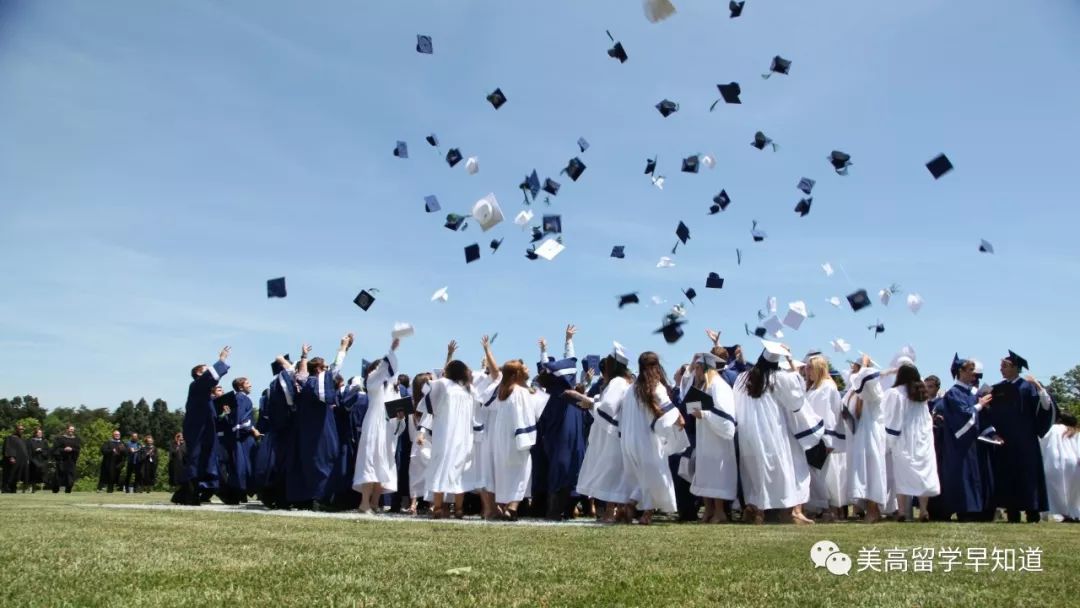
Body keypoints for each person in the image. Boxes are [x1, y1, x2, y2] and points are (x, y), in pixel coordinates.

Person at [734, 343, 822, 525]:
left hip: (748, 435)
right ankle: (789, 513)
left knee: (755, 473)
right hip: (773, 433)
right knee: (785, 471)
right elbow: (797, 399)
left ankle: (756, 512)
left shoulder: (743, 379)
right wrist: (790, 361)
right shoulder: (778, 378)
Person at [984, 351, 1056, 523]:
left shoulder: (1027, 386)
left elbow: (1045, 406)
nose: (1001, 369)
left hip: (1025, 440)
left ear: (1015, 368)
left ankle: (1032, 512)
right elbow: (990, 413)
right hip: (1005, 440)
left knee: (1028, 475)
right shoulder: (998, 388)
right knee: (1008, 475)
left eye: (1005, 366)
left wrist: (1038, 386)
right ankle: (1012, 512)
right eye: (1001, 366)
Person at [620, 351, 689, 525]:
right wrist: (679, 419)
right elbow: (669, 409)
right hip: (648, 441)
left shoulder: (631, 389)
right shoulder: (656, 387)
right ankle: (647, 515)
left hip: (629, 441)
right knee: (657, 477)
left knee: (642, 477)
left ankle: (629, 506)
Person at [288, 335, 353, 509]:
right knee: (324, 461)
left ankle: (309, 498)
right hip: (322, 430)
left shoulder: (303, 382)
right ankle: (320, 499)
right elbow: (335, 369)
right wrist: (342, 347)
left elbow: (302, 372)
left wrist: (303, 357)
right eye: (324, 367)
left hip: (308, 430)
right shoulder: (316, 384)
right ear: (318, 370)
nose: (327, 370)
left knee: (310, 462)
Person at [572, 344, 634, 523]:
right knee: (615, 472)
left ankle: (610, 512)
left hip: (610, 434)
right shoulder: (622, 382)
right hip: (611, 433)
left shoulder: (616, 383)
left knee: (610, 472)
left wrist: (589, 404)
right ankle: (621, 511)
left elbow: (608, 408)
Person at [934, 356, 995, 521]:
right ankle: (961, 508)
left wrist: (990, 430)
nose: (973, 374)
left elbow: (979, 416)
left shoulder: (971, 393)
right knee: (960, 474)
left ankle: (972, 508)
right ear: (960, 372)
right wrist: (979, 405)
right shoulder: (954, 393)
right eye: (969, 370)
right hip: (957, 443)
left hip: (971, 442)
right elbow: (963, 415)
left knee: (971, 474)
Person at [487, 359, 547, 520]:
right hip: (517, 437)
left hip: (501, 439)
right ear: (516, 374)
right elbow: (527, 416)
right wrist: (526, 436)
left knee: (505, 472)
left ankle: (503, 506)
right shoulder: (520, 392)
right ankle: (512, 507)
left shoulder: (502, 391)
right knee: (522, 472)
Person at [422, 356, 480, 519]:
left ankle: (438, 507)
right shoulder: (470, 390)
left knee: (440, 468)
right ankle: (459, 509)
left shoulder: (444, 385)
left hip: (445, 436)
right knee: (459, 471)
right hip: (464, 437)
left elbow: (427, 395)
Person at [173, 346, 231, 505]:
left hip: (204, 431)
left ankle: (183, 494)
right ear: (199, 374)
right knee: (196, 459)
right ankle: (189, 494)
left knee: (204, 460)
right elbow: (211, 377)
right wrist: (222, 360)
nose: (209, 372)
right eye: (206, 370)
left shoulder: (205, 395)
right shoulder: (197, 385)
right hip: (197, 430)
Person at [353, 337, 404, 514]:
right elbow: (383, 368)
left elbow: (399, 417)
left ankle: (375, 502)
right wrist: (392, 349)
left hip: (389, 431)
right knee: (370, 461)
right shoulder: (373, 382)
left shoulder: (393, 389)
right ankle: (364, 503)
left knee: (383, 464)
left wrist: (400, 417)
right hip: (374, 426)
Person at [686, 351, 738, 524]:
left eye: (699, 368)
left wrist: (705, 414)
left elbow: (726, 415)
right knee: (705, 473)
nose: (696, 372)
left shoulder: (719, 386)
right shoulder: (703, 386)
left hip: (717, 439)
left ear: (706, 369)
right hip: (705, 437)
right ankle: (708, 510)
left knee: (717, 474)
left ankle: (720, 512)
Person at [884, 364, 940, 522]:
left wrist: (889, 440)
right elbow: (927, 419)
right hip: (922, 439)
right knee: (923, 474)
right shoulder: (922, 395)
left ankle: (901, 511)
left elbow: (892, 419)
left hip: (903, 439)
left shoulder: (895, 393)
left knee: (902, 475)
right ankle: (923, 511)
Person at [841, 355, 890, 523]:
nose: (853, 370)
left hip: (871, 434)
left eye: (855, 367)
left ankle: (873, 509)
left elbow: (865, 379)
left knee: (872, 470)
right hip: (859, 435)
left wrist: (865, 365)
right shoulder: (853, 390)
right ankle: (868, 508)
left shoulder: (872, 388)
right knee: (863, 471)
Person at [804, 354, 847, 521]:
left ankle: (828, 509)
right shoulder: (813, 387)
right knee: (814, 473)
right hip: (811, 435)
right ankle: (819, 507)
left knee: (823, 475)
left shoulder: (828, 386)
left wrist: (829, 438)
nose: (806, 370)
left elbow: (832, 413)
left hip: (823, 436)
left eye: (809, 367)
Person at [223, 377, 260, 503]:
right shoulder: (242, 398)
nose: (250, 385)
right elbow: (241, 419)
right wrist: (252, 429)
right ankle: (239, 492)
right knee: (243, 465)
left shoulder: (238, 398)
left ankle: (240, 492)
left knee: (241, 465)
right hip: (243, 438)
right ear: (240, 387)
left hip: (240, 436)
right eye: (247, 383)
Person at [1040, 412, 1080, 522]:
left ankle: (1057, 513)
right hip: (1073, 462)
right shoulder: (1075, 432)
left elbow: (1042, 442)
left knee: (1054, 489)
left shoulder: (1052, 429)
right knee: (1072, 491)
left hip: (1053, 460)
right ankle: (1073, 513)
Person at [405, 373, 434, 514]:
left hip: (416, 442)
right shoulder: (429, 403)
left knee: (416, 474)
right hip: (428, 439)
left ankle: (413, 504)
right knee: (430, 471)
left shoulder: (412, 403)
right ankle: (431, 504)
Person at [52, 425, 81, 493]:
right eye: (70, 429)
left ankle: (68, 490)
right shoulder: (60, 438)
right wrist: (64, 449)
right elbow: (55, 449)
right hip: (62, 460)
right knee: (59, 475)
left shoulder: (76, 439)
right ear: (67, 430)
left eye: (73, 429)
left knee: (70, 475)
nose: (71, 431)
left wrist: (72, 449)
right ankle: (55, 490)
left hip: (71, 460)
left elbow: (77, 449)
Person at [2, 424, 29, 493]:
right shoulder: (10, 438)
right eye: (20, 429)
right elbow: (9, 448)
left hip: (21, 460)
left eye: (22, 429)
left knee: (16, 475)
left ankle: (13, 488)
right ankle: (6, 488)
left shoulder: (22, 439)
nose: (21, 430)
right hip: (13, 460)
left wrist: (27, 459)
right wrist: (11, 457)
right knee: (10, 474)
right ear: (16, 430)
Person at [26, 428, 49, 493]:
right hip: (33, 459)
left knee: (42, 472)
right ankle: (32, 487)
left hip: (42, 459)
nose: (40, 434)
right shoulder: (30, 441)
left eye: (41, 433)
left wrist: (42, 451)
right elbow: (28, 451)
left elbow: (47, 450)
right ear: (35, 433)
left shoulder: (44, 441)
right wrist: (35, 451)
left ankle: (42, 487)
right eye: (39, 433)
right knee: (33, 474)